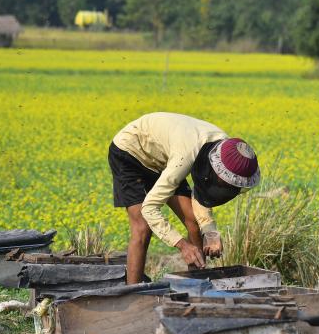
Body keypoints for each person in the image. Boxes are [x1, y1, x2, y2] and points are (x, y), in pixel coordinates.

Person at [108, 112, 260, 284]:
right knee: (142, 229)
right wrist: (182, 245)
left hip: (165, 160)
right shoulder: (186, 155)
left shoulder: (224, 149)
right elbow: (149, 207)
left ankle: (199, 284)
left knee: (193, 221)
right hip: (130, 152)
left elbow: (202, 190)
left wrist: (210, 232)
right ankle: (132, 293)